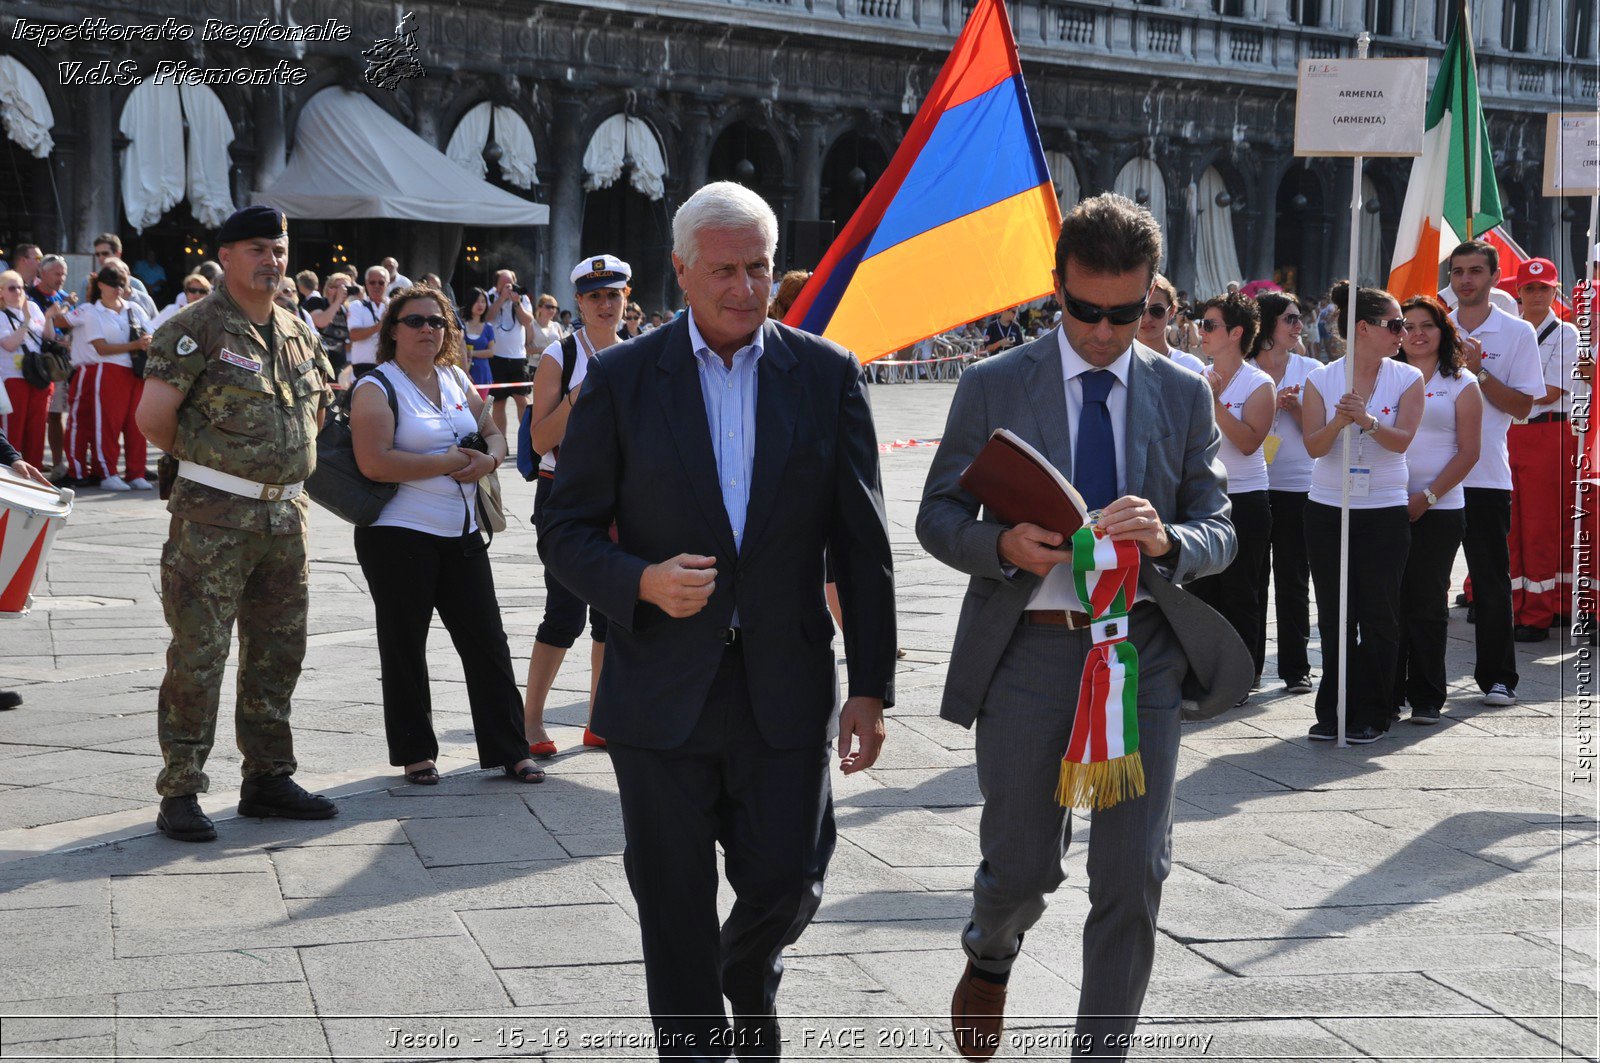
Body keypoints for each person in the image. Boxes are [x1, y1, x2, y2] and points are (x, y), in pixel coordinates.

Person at [538, 182, 896, 1058]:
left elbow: (862, 542)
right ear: (682, 270)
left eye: (760, 269)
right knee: (671, 897)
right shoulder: (622, 379)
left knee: (791, 878)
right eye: (725, 270)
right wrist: (641, 582)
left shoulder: (826, 374)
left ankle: (745, 973)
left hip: (786, 683)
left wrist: (872, 685)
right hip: (661, 684)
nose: (745, 288)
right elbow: (565, 529)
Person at [916, 193, 1248, 1060]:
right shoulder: (996, 382)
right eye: (1086, 310)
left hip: (1144, 657)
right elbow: (936, 513)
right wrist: (1000, 543)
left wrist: (1171, 537)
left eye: (1127, 312)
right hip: (1029, 651)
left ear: (1151, 297)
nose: (1104, 332)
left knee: (1134, 876)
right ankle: (991, 949)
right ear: (1055, 286)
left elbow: (1222, 525)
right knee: (1025, 864)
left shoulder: (1182, 390)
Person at [134, 205, 340, 843]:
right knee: (200, 652)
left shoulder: (297, 329)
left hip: (286, 516)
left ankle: (268, 778)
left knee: (279, 650)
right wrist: (217, 468)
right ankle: (181, 788)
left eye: (278, 250)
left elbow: (321, 408)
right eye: (257, 249)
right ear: (225, 257)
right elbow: (153, 419)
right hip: (213, 519)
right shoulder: (193, 329)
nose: (272, 261)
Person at [348, 284, 542, 786]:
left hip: (462, 531)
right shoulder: (376, 385)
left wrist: (491, 458)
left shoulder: (456, 377)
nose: (428, 330)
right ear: (393, 330)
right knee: (404, 643)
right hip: (398, 534)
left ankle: (511, 750)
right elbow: (374, 462)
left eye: (438, 322)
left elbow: (495, 432)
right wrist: (450, 462)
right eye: (416, 321)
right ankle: (416, 753)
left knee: (487, 641)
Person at [1301, 282, 1424, 743]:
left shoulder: (1407, 378)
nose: (1402, 333)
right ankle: (1333, 709)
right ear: (1363, 328)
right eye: (1395, 325)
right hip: (1329, 506)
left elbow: (1402, 439)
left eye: (1405, 326)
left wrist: (1369, 421)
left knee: (1379, 612)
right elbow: (1314, 446)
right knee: (1335, 614)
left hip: (1384, 508)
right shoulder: (1322, 378)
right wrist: (1340, 419)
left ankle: (1374, 709)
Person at [523, 255, 632, 758]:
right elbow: (540, 436)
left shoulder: (638, 354)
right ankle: (530, 721)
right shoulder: (559, 356)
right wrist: (580, 395)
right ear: (579, 304)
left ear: (626, 297)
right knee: (562, 613)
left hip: (619, 499)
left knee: (612, 615)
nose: (605, 305)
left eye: (613, 294)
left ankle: (599, 717)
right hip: (562, 493)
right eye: (595, 297)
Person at [1447, 240, 1545, 706]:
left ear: (1492, 277)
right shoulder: (1429, 324)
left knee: (1490, 580)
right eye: (1458, 271)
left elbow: (1524, 407)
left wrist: (1479, 371)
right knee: (1419, 583)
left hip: (1486, 475)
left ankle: (1499, 677)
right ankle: (1416, 681)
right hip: (1430, 477)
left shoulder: (1517, 332)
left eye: (1475, 271)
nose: (1465, 279)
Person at [1394, 295, 1481, 724]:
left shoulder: (1462, 382)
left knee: (1427, 603)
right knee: (1386, 602)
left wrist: (1426, 498)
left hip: (1440, 509)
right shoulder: (1385, 378)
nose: (1417, 333)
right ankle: (1388, 691)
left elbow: (1469, 453)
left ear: (1442, 331)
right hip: (1384, 507)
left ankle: (1427, 695)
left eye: (1426, 324)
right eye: (1407, 325)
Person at [1187, 292, 1274, 693]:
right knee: (1199, 590)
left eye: (1210, 325)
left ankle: (1242, 678)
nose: (1201, 332)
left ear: (1236, 333)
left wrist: (1215, 401)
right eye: (1201, 324)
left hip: (1245, 497)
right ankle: (1202, 674)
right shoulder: (1193, 377)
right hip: (1202, 496)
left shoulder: (1259, 383)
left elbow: (1248, 442)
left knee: (1241, 590)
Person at [1507, 258, 1582, 642]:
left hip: (1548, 433)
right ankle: (1520, 603)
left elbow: (1550, 392)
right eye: (1530, 288)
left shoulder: (1566, 332)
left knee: (1540, 526)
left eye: (1544, 288)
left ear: (1556, 292)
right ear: (1518, 292)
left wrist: (1501, 392)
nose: (1536, 294)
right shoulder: (1511, 331)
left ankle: (1541, 610)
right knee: (1511, 527)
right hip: (1510, 431)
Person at [1249, 292, 1320, 694]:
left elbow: (1326, 428)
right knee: (1251, 579)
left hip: (1297, 485)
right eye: (1290, 319)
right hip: (1251, 486)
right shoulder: (1242, 370)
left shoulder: (1312, 369)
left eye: (1300, 318)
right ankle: (1251, 668)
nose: (1298, 326)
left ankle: (1296, 667)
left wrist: (1294, 410)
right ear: (1268, 325)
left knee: (1294, 577)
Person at [76, 260, 154, 491]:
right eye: (112, 283)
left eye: (121, 283)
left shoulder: (134, 308)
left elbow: (152, 333)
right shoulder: (92, 312)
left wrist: (146, 342)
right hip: (109, 370)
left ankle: (136, 472)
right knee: (108, 425)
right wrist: (135, 344)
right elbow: (101, 348)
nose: (117, 288)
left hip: (135, 371)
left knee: (136, 424)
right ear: (100, 285)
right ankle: (108, 472)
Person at [0, 268, 66, 468]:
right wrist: (26, 321)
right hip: (13, 378)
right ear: (1, 291)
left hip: (39, 376)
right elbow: (10, 344)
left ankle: (34, 470)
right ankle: (12, 472)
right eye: (12, 288)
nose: (19, 292)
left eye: (21, 287)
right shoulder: (2, 315)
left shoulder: (33, 307)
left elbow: (48, 338)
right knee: (14, 431)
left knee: (37, 431)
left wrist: (49, 318)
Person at [28, 255, 74, 481]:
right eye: (56, 273)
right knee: (35, 416)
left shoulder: (66, 298)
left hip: (59, 365)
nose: (61, 278)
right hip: (35, 365)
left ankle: (58, 464)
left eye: (63, 273)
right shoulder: (29, 297)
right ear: (42, 273)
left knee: (56, 415)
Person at [485, 270, 534, 438]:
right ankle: (501, 441)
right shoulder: (489, 296)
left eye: (511, 283)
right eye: (504, 284)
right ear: (496, 284)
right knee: (498, 402)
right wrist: (501, 299)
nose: (508, 287)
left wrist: (516, 303)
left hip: (518, 357)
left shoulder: (522, 297)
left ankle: (528, 439)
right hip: (497, 357)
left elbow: (528, 322)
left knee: (522, 399)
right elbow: (487, 317)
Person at [1137, 273, 1204, 374]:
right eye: (1140, 310)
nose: (1147, 319)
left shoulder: (1191, 367)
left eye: (1157, 311)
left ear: (1172, 311)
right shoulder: (1114, 364)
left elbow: (1195, 342)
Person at [91, 234, 156, 317]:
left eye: (105, 253)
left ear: (118, 254)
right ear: (100, 285)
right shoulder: (89, 282)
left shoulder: (136, 285)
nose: (101, 258)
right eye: (98, 254)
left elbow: (152, 322)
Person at [345, 266, 389, 379]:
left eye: (381, 283)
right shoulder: (357, 306)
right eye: (372, 282)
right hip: (362, 367)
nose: (376, 286)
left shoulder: (394, 306)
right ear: (366, 284)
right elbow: (354, 335)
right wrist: (379, 326)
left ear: (387, 284)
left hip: (388, 366)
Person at [311, 272, 353, 378]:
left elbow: (350, 342)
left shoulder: (347, 310)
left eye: (346, 288)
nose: (343, 291)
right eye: (338, 287)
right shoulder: (317, 302)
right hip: (317, 366)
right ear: (329, 289)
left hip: (338, 368)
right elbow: (320, 322)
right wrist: (338, 300)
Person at [460, 287, 495, 392]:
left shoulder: (488, 327)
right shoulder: (460, 325)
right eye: (477, 301)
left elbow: (491, 352)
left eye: (483, 302)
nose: (481, 305)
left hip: (483, 374)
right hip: (463, 373)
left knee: (482, 408)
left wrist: (470, 353)